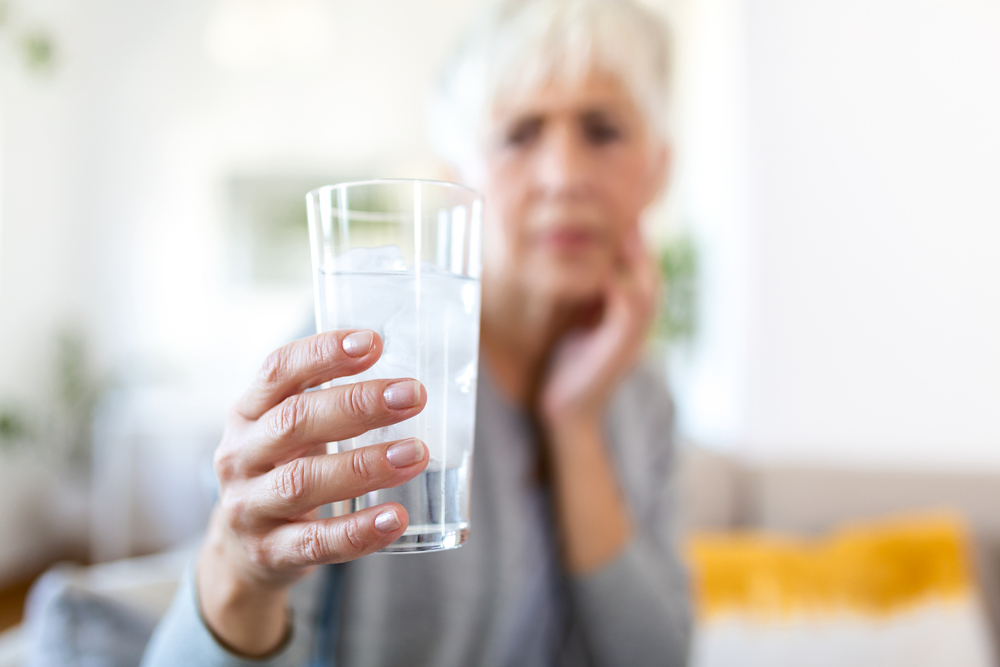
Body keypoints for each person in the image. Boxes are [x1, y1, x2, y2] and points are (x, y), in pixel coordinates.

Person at [142, 0, 690, 665]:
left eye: (602, 131)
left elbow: (658, 654)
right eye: (519, 134)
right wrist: (237, 572)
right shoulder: (368, 346)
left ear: (656, 169)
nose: (563, 175)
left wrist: (574, 423)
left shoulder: (639, 390)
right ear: (460, 175)